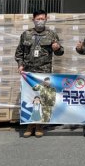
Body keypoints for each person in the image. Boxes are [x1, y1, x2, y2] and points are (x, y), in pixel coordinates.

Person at [15, 9, 64, 138]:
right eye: (38, 19)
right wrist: (20, 65)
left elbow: (60, 52)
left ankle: (39, 126)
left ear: (46, 19)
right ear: (33, 19)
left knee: (42, 99)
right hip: (29, 73)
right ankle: (29, 125)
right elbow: (19, 52)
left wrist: (57, 48)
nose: (40, 21)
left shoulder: (51, 34)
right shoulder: (26, 34)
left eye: (43, 19)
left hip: (44, 72)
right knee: (29, 98)